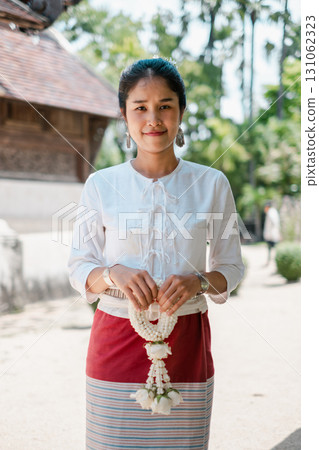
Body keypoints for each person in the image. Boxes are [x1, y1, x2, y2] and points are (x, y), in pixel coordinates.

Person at [68, 57, 245, 450]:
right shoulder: (101, 185)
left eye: (165, 105)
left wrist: (198, 280)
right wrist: (114, 273)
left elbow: (230, 267)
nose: (154, 118)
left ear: (181, 112)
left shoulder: (211, 183)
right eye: (141, 107)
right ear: (124, 116)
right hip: (115, 340)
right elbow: (79, 266)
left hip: (187, 341)